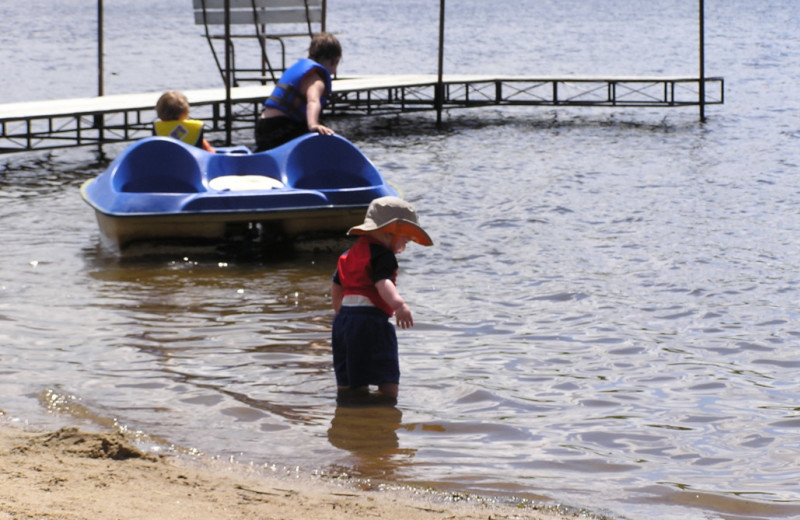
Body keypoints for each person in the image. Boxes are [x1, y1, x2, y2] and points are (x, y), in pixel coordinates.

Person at [330, 196, 434, 400]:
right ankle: (385, 407)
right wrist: (399, 305)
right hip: (370, 322)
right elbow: (382, 283)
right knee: (387, 377)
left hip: (343, 323)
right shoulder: (383, 256)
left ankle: (350, 409)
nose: (407, 243)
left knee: (351, 378)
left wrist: (339, 314)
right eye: (406, 238)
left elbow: (336, 286)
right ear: (390, 232)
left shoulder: (348, 254)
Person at [254, 32, 341, 152]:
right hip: (280, 129)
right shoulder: (316, 79)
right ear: (335, 61)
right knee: (325, 137)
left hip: (262, 128)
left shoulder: (299, 68)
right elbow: (313, 100)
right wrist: (313, 124)